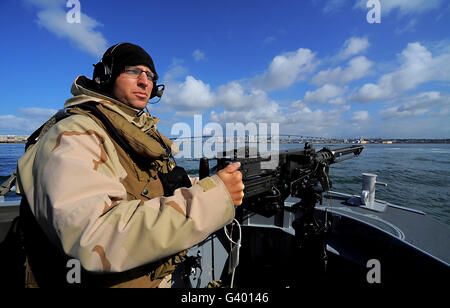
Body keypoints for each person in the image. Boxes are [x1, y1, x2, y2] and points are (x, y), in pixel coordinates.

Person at [15, 43, 245, 288]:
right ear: (105, 75)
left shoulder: (136, 133)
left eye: (151, 76)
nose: (145, 82)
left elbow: (151, 189)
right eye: (135, 71)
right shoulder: (76, 133)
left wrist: (212, 186)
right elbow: (93, 238)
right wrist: (213, 200)